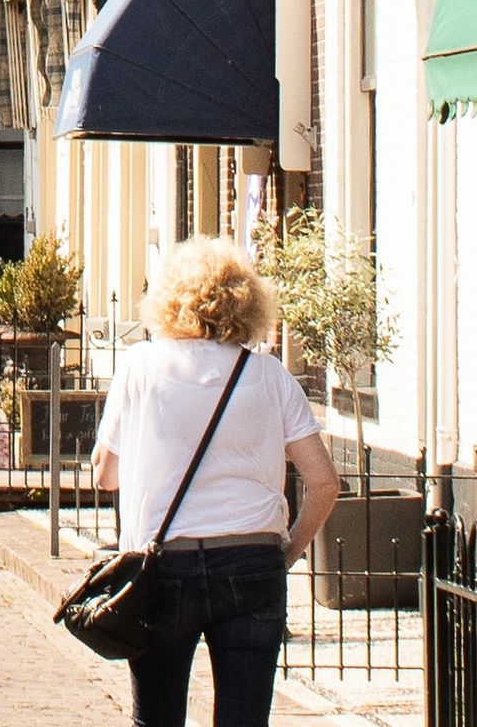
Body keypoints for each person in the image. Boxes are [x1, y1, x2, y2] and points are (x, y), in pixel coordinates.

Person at [93, 236, 340, 727]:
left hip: (162, 567)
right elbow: (325, 482)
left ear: (167, 300)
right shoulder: (270, 376)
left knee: (157, 717)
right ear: (247, 303)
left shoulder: (139, 366)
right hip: (252, 560)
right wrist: (288, 551)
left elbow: (106, 476)